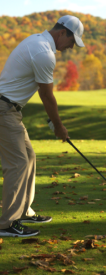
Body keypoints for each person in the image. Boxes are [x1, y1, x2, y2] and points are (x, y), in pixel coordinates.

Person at [0, 15, 85, 237]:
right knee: (17, 163)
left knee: (28, 157)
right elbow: (47, 96)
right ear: (62, 33)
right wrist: (59, 126)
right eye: (71, 42)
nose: (70, 48)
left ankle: (24, 211)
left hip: (10, 110)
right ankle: (7, 224)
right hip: (3, 110)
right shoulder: (44, 52)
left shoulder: (36, 41)